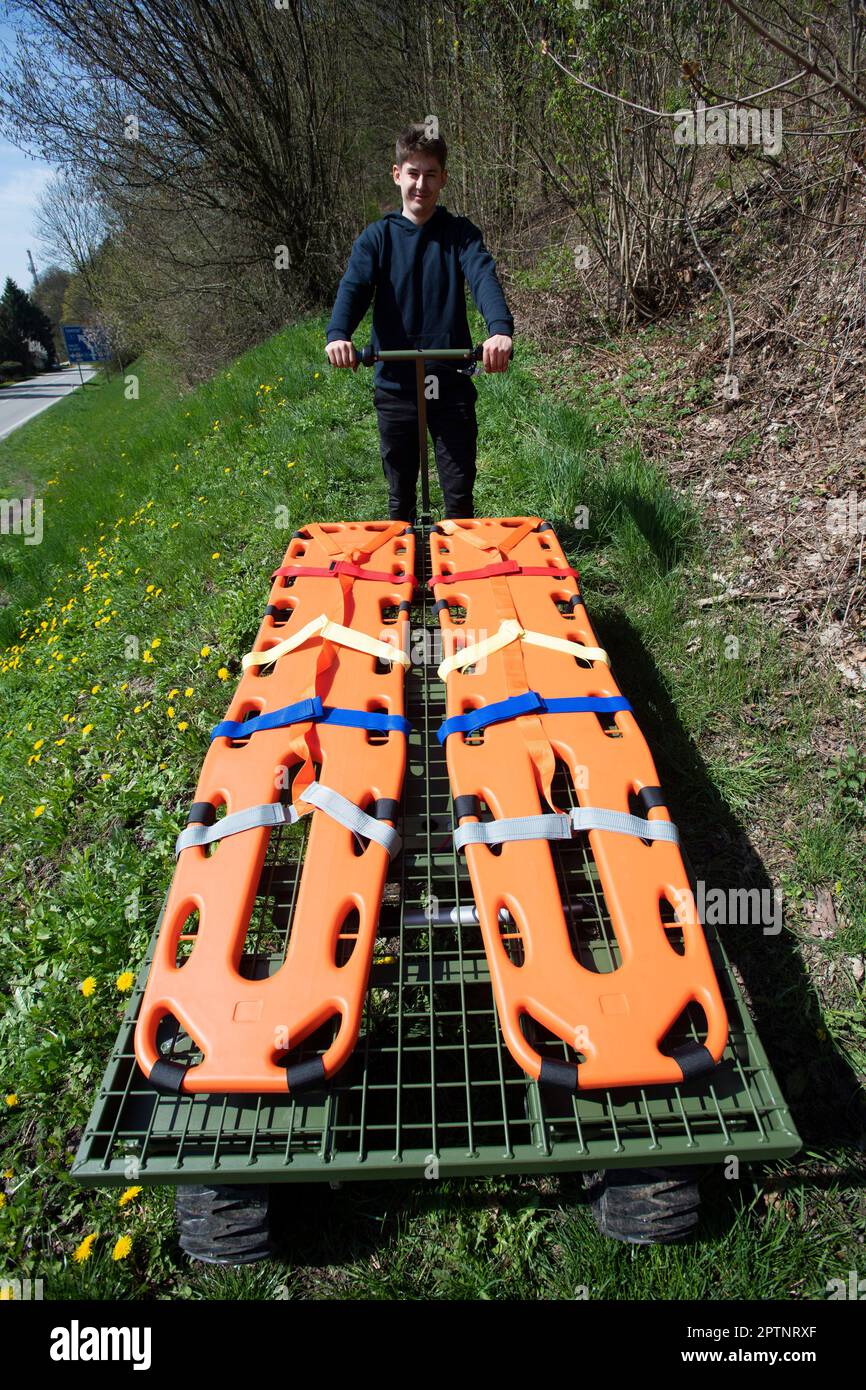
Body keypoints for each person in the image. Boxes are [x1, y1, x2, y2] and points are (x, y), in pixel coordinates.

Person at [325, 123, 514, 521]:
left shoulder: (459, 235)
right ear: (397, 175)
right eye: (413, 173)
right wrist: (338, 334)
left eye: (430, 174)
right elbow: (355, 286)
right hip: (396, 385)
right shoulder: (377, 238)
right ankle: (400, 580)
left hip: (451, 381)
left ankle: (459, 578)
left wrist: (498, 329)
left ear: (443, 179)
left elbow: (482, 276)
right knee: (400, 501)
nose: (421, 185)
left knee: (460, 497)